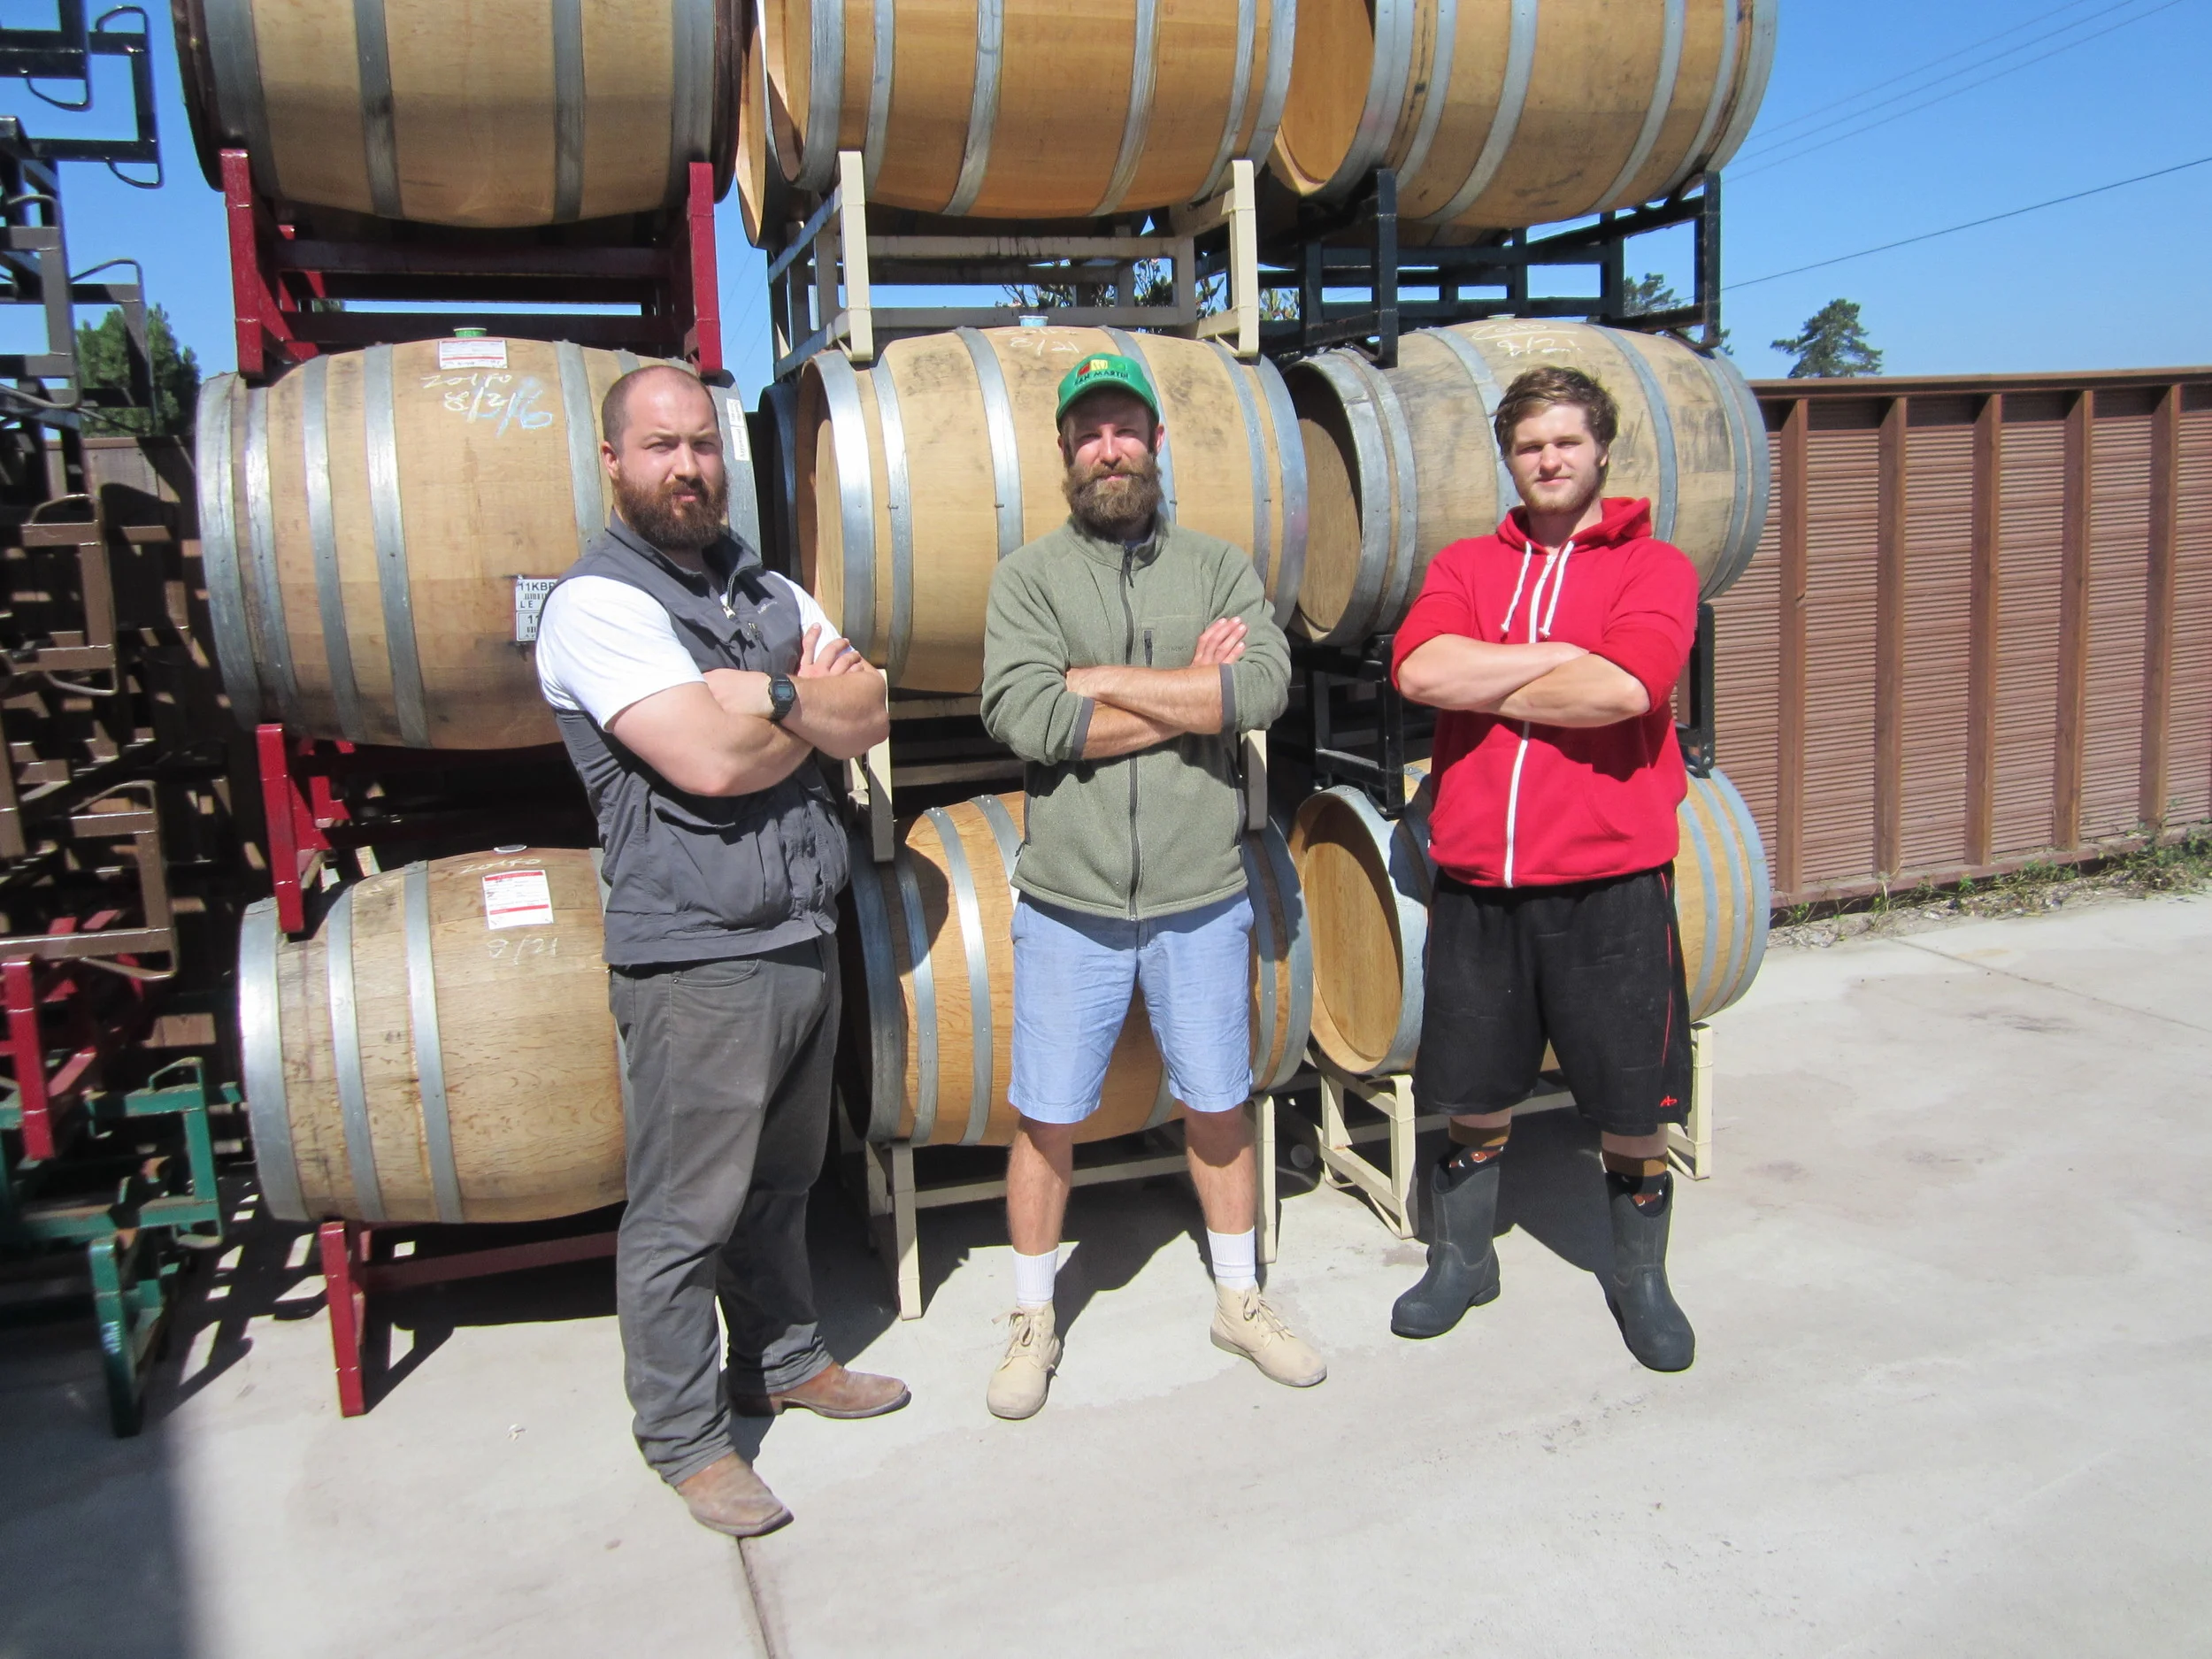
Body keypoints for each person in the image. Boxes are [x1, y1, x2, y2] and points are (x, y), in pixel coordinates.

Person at [534, 365, 906, 1540]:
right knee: (683, 1210)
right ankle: (687, 1436)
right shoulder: (596, 605)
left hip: (801, 929)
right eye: (660, 445)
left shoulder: (770, 586)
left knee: (785, 1181)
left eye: (702, 443)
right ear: (614, 462)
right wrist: (802, 714)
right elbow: (704, 759)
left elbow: (872, 708)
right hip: (694, 955)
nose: (688, 465)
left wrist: (773, 691)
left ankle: (786, 1357)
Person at [977, 350, 1322, 1420]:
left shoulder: (1218, 568)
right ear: (1066, 455)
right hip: (1070, 903)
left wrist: (1105, 682)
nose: (1108, 448)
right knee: (1044, 1117)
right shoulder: (1028, 578)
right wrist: (1189, 692)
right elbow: (1028, 718)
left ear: (1156, 444)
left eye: (1124, 427)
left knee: (1219, 1102)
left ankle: (1237, 1297)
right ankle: (1032, 1317)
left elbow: (1260, 688)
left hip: (1200, 894)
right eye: (1088, 434)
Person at [1388, 364, 1701, 1372]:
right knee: (1472, 1088)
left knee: (1630, 1101)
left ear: (1602, 448)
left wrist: (1502, 662)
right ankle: (1461, 1258)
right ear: (1509, 458)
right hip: (1481, 879)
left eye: (1566, 442)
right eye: (1530, 446)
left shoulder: (1656, 568)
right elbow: (1420, 670)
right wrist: (1555, 654)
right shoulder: (1466, 564)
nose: (1549, 460)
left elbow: (1623, 690)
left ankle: (1639, 1278)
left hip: (1608, 881)